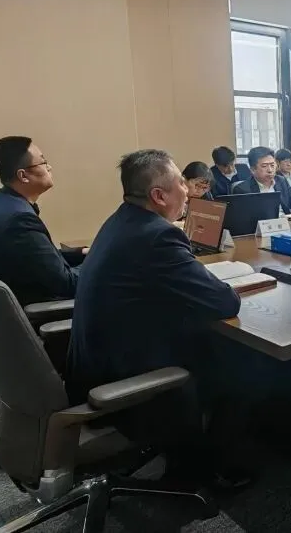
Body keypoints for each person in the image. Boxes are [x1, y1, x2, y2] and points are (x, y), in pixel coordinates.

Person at [65, 149, 248, 487]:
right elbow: (225, 302)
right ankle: (211, 468)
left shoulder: (122, 220)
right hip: (123, 381)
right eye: (181, 182)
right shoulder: (158, 236)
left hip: (92, 364)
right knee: (239, 357)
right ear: (159, 196)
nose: (187, 190)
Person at [0, 136, 83, 306]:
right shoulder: (18, 220)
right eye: (43, 162)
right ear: (23, 175)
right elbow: (68, 284)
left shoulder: (5, 204)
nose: (49, 167)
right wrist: (104, 263)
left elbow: (41, 260)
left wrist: (82, 253)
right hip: (44, 309)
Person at [232, 146, 291, 214]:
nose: (270, 170)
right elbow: (245, 219)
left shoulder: (281, 181)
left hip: (286, 222)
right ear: (253, 170)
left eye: (272, 165)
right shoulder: (242, 190)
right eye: (264, 166)